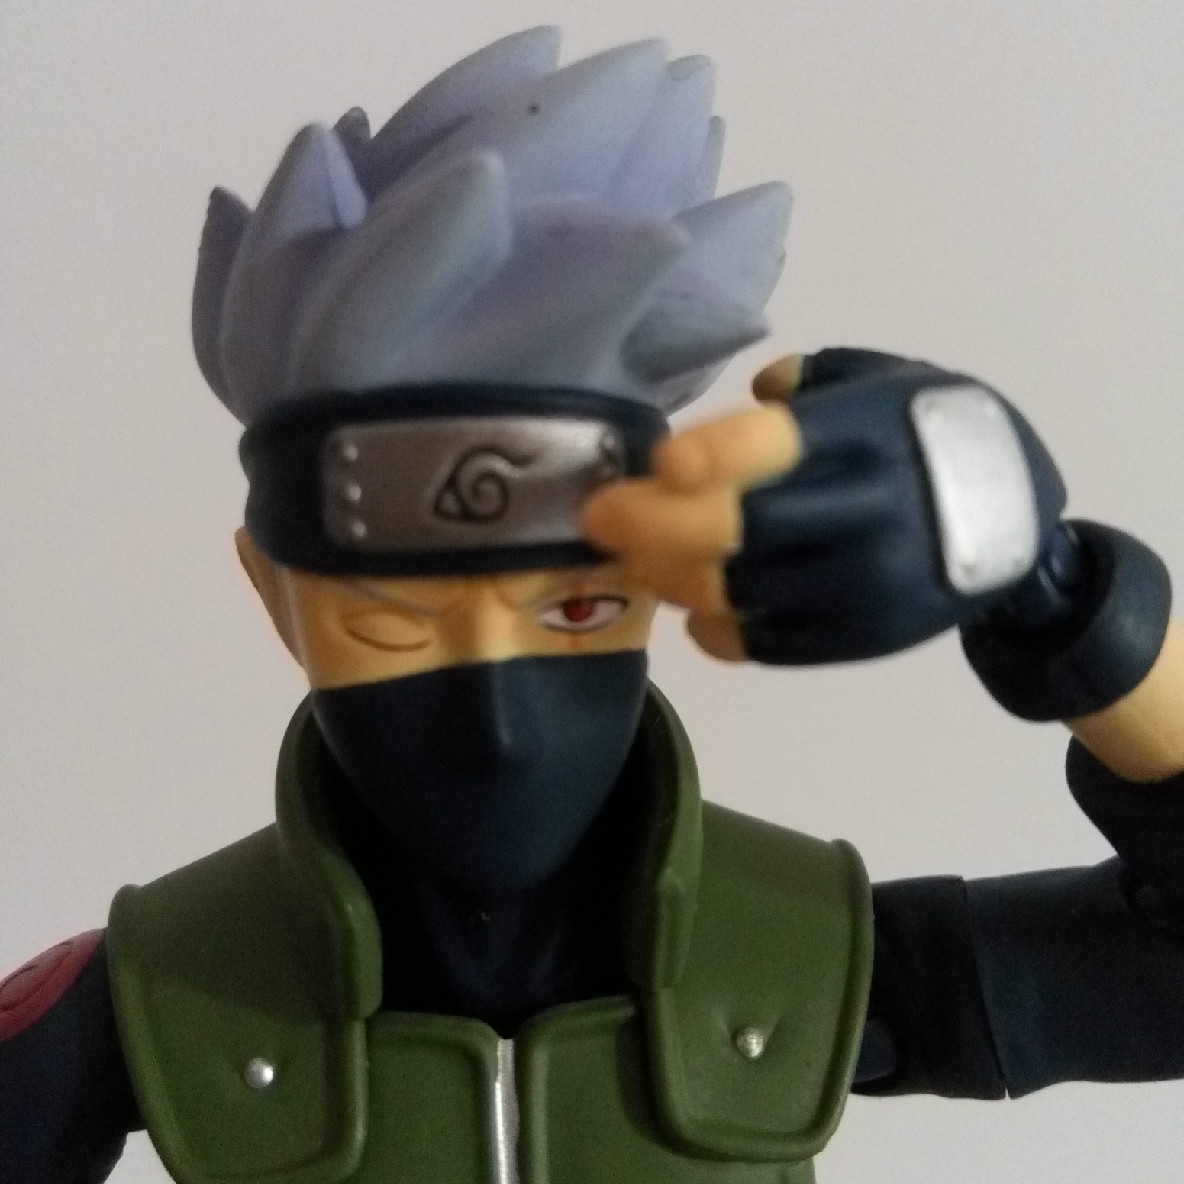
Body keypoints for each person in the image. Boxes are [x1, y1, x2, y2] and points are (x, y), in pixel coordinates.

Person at [2, 28, 1182, 1184]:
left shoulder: (797, 950)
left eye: (577, 611)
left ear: (653, 589)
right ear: (272, 593)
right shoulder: (160, 990)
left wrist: (1057, 595)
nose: (496, 724)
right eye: (388, 623)